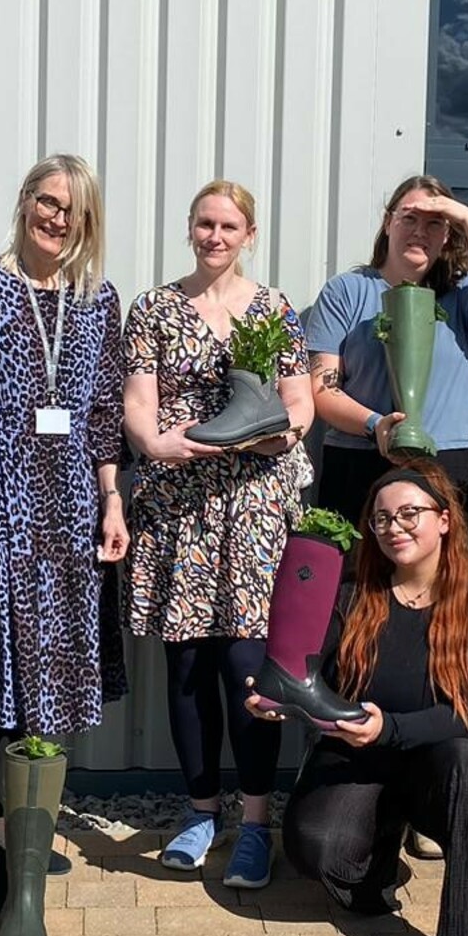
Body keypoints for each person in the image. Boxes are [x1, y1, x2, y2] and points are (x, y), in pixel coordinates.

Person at [0, 155, 129, 905]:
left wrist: (112, 500)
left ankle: (32, 837)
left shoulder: (96, 300)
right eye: (48, 202)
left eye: (73, 210)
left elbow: (106, 414)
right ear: (25, 203)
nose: (57, 218)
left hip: (72, 510)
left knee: (55, 673)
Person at [272, 463, 468, 936]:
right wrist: (277, 698)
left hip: (443, 766)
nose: (394, 526)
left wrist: (392, 728)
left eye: (409, 513)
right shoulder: (353, 596)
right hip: (362, 755)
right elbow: (310, 674)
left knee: (467, 755)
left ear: (443, 520)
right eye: (382, 517)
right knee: (318, 849)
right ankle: (378, 864)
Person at [124, 181, 312, 891]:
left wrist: (276, 438)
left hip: (255, 508)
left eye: (228, 225)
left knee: (248, 670)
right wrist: (160, 445)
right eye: (204, 222)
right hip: (181, 507)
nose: (214, 235)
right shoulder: (154, 309)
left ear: (249, 233)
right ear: (189, 227)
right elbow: (137, 404)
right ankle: (202, 812)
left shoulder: (274, 311)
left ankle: (257, 823)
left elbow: (298, 403)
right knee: (189, 671)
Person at [307, 175, 468, 564]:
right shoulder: (347, 291)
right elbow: (323, 388)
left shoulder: (462, 295)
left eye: (434, 223)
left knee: (450, 594)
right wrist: (375, 424)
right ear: (388, 223)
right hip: (360, 457)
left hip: (450, 459)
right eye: (409, 218)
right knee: (358, 592)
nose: (419, 231)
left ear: (447, 236)